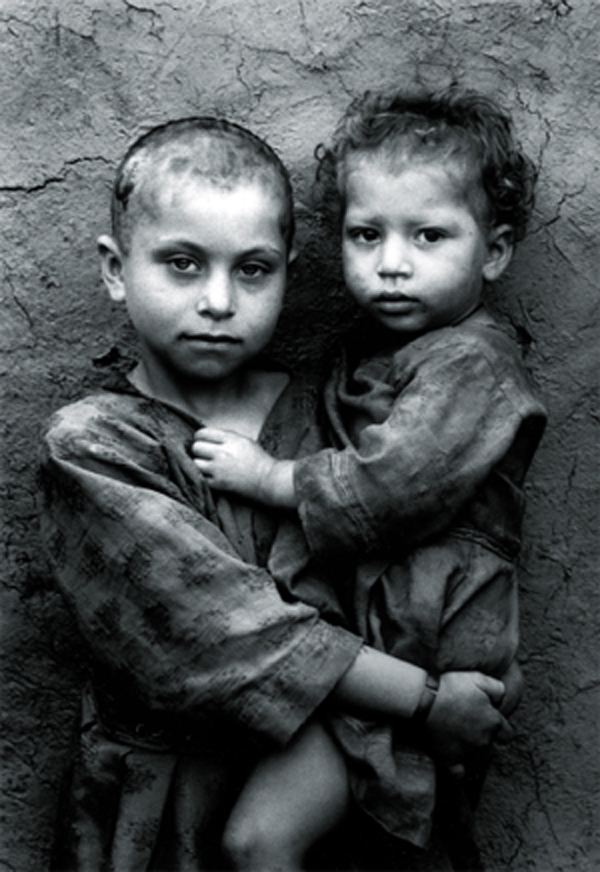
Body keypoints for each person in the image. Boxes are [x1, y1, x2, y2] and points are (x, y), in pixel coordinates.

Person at [38, 115, 511, 872]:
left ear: (290, 271)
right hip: (164, 810)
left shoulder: (337, 417)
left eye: (253, 270)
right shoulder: (93, 447)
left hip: (338, 799)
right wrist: (427, 700)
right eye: (183, 264)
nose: (218, 300)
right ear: (116, 269)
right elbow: (229, 631)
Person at [191, 87, 547, 868]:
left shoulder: (473, 363)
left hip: (430, 654)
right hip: (381, 649)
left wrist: (269, 477)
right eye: (366, 234)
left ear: (493, 251)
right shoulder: (373, 353)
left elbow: (392, 487)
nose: (391, 263)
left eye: (429, 235)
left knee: (261, 840)